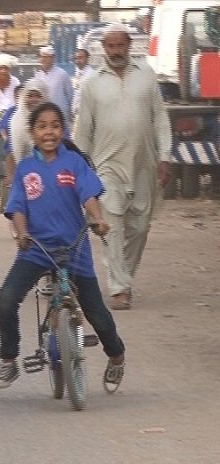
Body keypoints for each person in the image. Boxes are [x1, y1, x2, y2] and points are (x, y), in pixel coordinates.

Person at [0, 101, 126, 391]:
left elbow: (89, 196)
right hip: (36, 248)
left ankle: (116, 356)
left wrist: (99, 219)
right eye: (42, 126)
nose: (49, 132)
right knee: (6, 299)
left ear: (63, 131)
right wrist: (21, 233)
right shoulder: (26, 168)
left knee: (96, 312)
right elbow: (17, 208)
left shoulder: (74, 163)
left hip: (74, 248)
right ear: (32, 132)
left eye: (55, 126)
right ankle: (8, 360)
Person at [74, 23, 172, 311]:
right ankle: (119, 287)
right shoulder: (92, 84)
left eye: (121, 45)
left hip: (143, 165)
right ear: (103, 48)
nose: (116, 51)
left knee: (140, 227)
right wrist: (80, 168)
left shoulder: (147, 76)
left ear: (129, 46)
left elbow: (160, 119)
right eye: (111, 46)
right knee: (112, 227)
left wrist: (164, 155)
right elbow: (83, 131)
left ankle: (124, 276)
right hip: (106, 166)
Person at [34, 46, 73, 131]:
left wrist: (70, 113)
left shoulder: (62, 74)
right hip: (43, 113)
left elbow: (70, 95)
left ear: (53, 59)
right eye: (43, 57)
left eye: (48, 57)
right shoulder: (38, 75)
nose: (45, 59)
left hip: (60, 112)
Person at [71, 48, 94, 124]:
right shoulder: (79, 74)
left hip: (87, 116)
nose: (78, 61)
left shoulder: (91, 75)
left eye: (80, 58)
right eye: (76, 58)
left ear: (87, 59)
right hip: (78, 115)